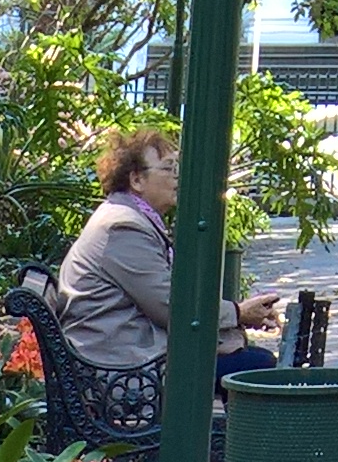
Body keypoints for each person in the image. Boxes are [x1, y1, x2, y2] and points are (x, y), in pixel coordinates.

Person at [59, 129, 270, 393]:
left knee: (251, 361)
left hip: (129, 359)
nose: (177, 179)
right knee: (256, 367)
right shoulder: (123, 227)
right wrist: (238, 313)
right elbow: (173, 308)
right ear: (137, 180)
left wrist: (232, 323)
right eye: (169, 169)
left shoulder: (129, 218)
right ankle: (236, 436)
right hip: (124, 373)